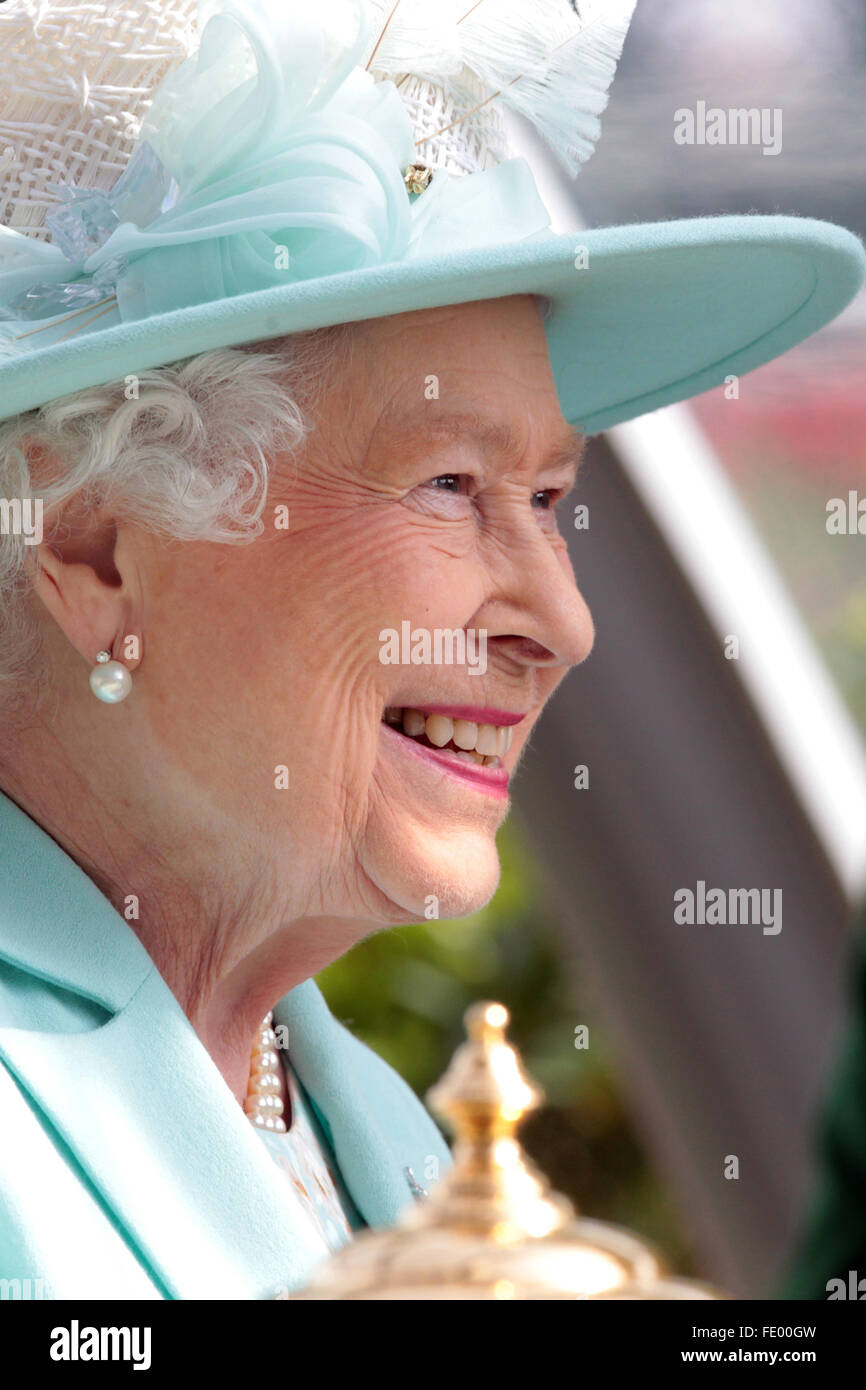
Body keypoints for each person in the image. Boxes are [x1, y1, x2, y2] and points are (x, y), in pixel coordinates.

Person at [0, 0, 862, 1300]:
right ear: (96, 546)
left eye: (551, 503)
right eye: (451, 484)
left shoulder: (383, 1134)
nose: (562, 623)